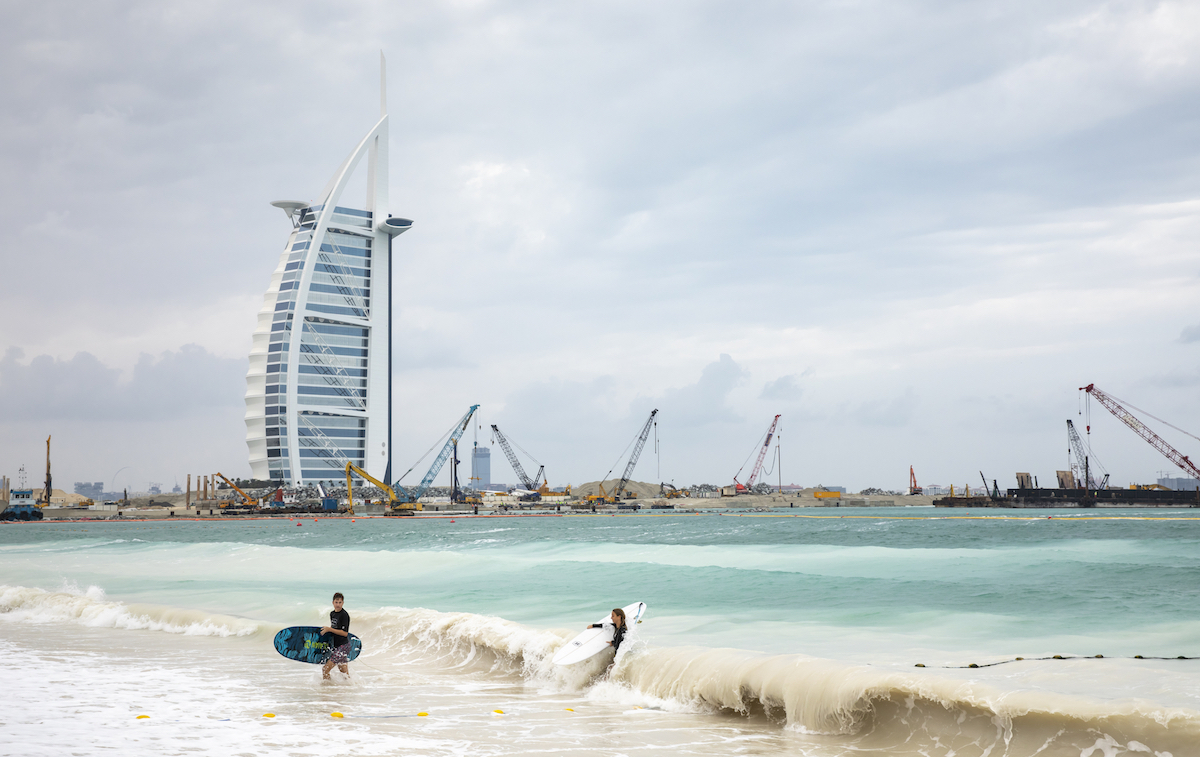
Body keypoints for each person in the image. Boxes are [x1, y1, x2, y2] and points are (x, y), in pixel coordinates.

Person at [321, 592, 351, 680]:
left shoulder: (344, 615)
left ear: (343, 603)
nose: (338, 604)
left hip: (343, 646)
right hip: (337, 646)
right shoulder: (332, 614)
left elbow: (345, 633)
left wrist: (329, 629)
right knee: (344, 673)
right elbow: (335, 629)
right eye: (336, 602)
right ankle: (351, 689)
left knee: (325, 669)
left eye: (340, 602)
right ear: (333, 602)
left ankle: (328, 690)